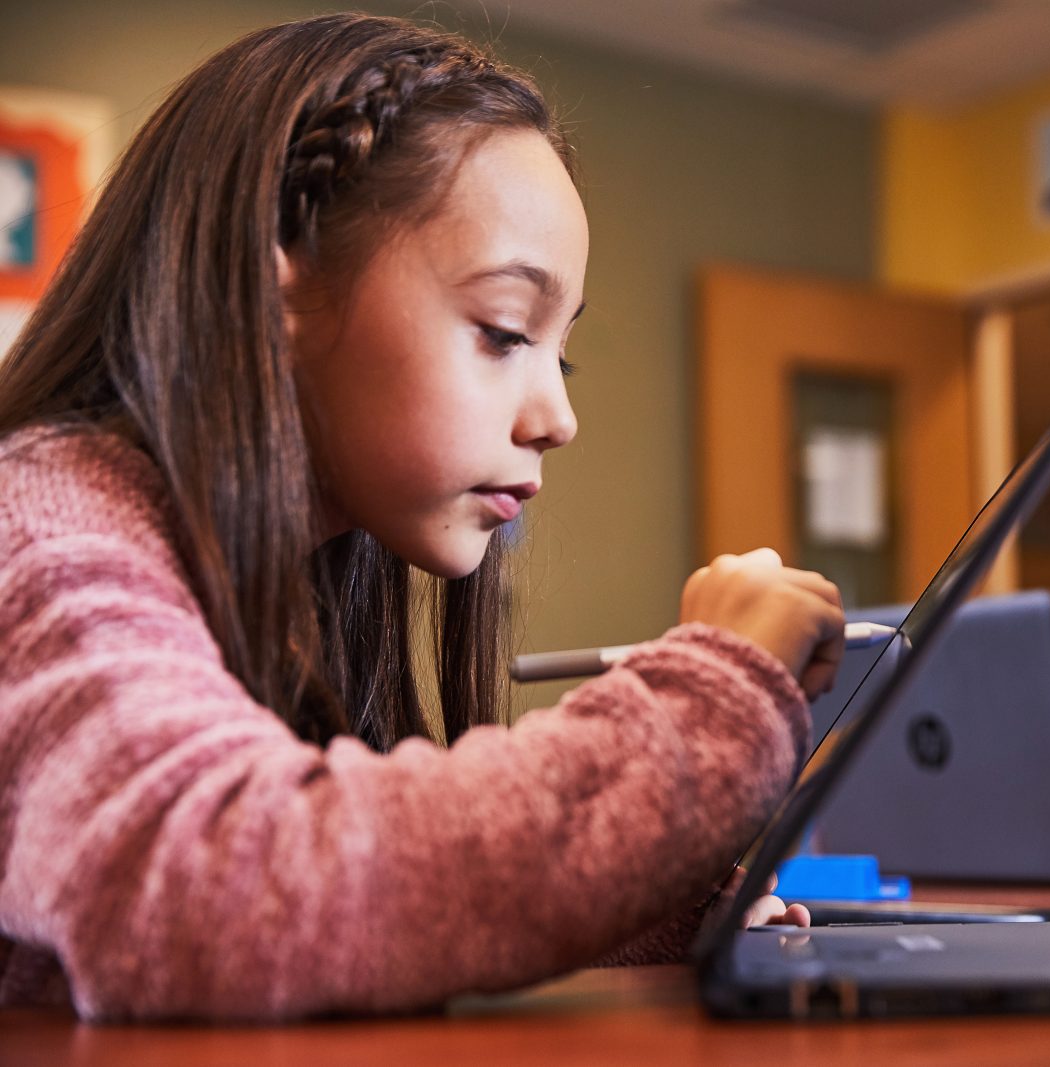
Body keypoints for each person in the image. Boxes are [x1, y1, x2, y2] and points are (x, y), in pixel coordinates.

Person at [0, 14, 844, 1021]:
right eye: (504, 331)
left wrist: (656, 899)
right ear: (275, 296)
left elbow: (350, 880)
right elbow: (214, 886)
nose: (559, 417)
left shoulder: (286, 578)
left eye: (560, 353)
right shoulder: (40, 531)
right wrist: (705, 703)